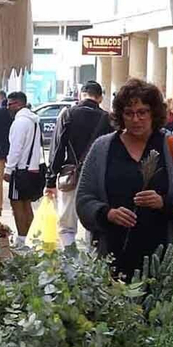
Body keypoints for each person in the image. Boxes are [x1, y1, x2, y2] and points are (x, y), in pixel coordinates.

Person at [77, 79, 173, 284]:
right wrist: (107, 213)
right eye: (129, 113)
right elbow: (83, 200)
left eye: (142, 112)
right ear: (120, 115)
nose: (136, 119)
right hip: (111, 266)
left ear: (153, 113)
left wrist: (164, 203)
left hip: (163, 269)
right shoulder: (103, 148)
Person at [46, 81, 114, 248]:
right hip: (98, 177)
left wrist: (50, 180)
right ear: (99, 98)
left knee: (67, 223)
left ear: (80, 95)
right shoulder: (107, 119)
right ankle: (92, 258)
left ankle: (70, 256)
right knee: (93, 218)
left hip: (70, 176)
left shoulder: (68, 114)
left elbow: (57, 149)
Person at [3, 91, 42, 238]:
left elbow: (16, 148)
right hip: (32, 169)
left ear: (18, 104)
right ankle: (31, 240)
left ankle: (22, 239)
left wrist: (9, 169)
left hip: (20, 171)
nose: (7, 108)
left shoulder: (20, 122)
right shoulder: (34, 121)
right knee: (27, 205)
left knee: (17, 205)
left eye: (9, 104)